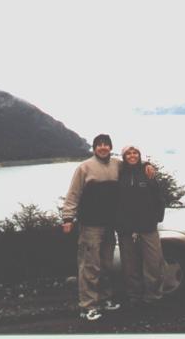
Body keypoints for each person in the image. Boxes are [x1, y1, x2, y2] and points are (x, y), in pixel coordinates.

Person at [62, 134, 155, 321]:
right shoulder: (84, 167)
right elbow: (73, 194)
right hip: (90, 225)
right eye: (99, 145)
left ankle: (105, 299)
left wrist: (147, 165)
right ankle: (88, 305)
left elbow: (133, 164)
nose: (103, 147)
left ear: (111, 148)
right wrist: (68, 218)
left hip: (110, 224)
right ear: (94, 148)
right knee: (90, 265)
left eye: (106, 144)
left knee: (106, 264)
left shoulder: (117, 165)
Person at [116, 145, 166, 307]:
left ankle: (153, 296)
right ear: (124, 157)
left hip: (147, 226)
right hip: (126, 228)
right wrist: (119, 222)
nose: (132, 156)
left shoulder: (147, 173)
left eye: (135, 153)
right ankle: (134, 296)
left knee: (153, 263)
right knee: (130, 265)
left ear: (139, 155)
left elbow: (159, 197)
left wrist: (156, 218)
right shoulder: (119, 174)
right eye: (128, 153)